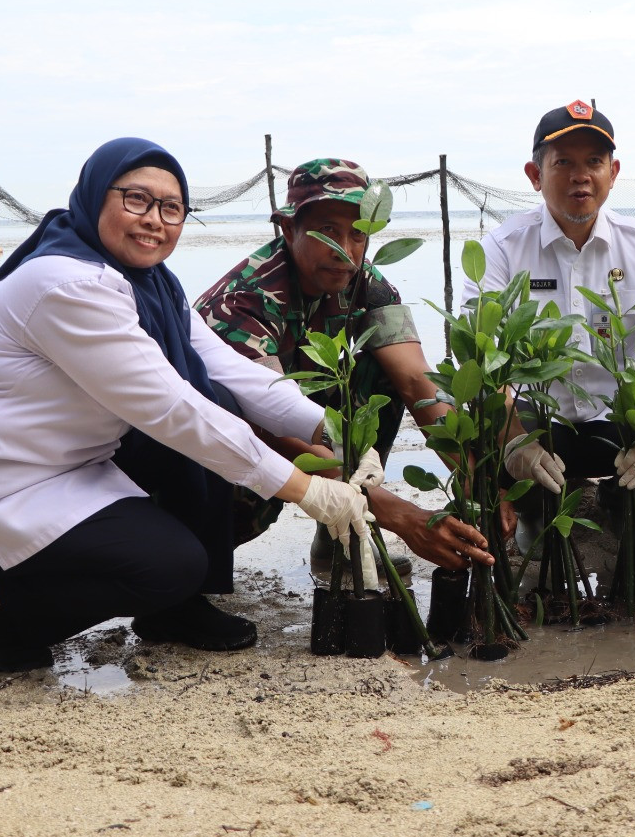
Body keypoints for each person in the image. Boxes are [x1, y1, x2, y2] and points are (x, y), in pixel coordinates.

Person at [0, 138, 485, 674]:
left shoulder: (153, 283)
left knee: (172, 555)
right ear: (93, 196)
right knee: (169, 561)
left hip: (76, 470)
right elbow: (176, 409)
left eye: (172, 208)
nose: (155, 220)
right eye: (137, 200)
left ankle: (163, 602)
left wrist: (331, 431)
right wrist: (314, 491)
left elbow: (230, 376)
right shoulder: (66, 285)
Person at [195, 157, 493, 570]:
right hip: (235, 440)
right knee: (248, 498)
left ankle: (343, 538)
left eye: (357, 235)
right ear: (288, 229)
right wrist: (395, 512)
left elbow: (415, 380)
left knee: (383, 371)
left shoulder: (365, 282)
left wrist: (475, 476)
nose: (345, 252)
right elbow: (264, 425)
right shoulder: (242, 302)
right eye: (327, 232)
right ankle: (183, 572)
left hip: (309, 418)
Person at [466, 101, 635, 527]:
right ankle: (534, 510)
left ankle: (619, 498)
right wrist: (514, 441)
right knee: (478, 432)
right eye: (564, 163)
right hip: (536, 420)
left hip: (614, 420)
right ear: (535, 175)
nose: (581, 175)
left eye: (594, 161)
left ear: (612, 173)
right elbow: (481, 357)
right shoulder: (500, 250)